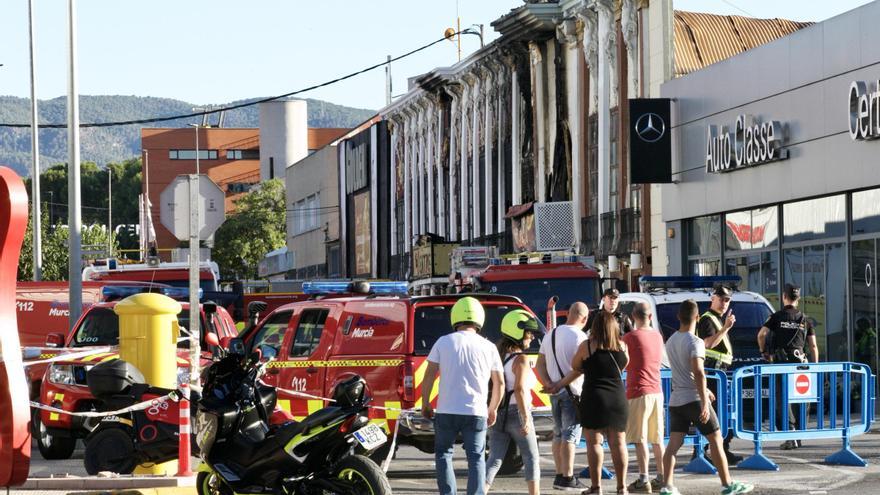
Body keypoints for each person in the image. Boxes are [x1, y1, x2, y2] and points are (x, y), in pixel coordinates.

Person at [660, 300, 753, 495]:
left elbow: (686, 370)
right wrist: (704, 401)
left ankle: (667, 486)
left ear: (679, 317)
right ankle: (727, 485)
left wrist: (704, 391)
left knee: (673, 446)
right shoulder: (695, 342)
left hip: (676, 400)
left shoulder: (670, 341)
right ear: (697, 317)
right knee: (716, 438)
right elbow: (699, 373)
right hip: (693, 399)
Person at [422, 296, 505, 495]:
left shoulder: (443, 342)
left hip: (446, 411)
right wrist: (492, 408)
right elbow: (499, 382)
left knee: (443, 454)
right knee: (476, 458)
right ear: (479, 319)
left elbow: (429, 375)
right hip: (476, 412)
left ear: (455, 317)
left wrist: (426, 403)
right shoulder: (490, 347)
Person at [553, 311, 629, 495]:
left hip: (593, 397)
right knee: (619, 444)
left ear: (594, 327)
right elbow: (624, 365)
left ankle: (596, 487)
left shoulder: (586, 347)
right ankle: (622, 487)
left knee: (594, 443)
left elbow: (575, 365)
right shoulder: (622, 346)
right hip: (617, 398)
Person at [486, 309, 542, 495]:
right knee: (531, 457)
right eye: (529, 332)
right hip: (517, 413)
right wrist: (525, 417)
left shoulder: (498, 356)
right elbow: (519, 389)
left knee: (494, 459)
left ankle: (479, 491)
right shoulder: (521, 359)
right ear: (518, 333)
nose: (532, 337)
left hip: (498, 412)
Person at [757, 283, 819, 450]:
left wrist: (764, 351)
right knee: (801, 400)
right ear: (798, 299)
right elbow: (813, 346)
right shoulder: (806, 320)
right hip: (801, 365)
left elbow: (761, 334)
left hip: (781, 365)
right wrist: (815, 367)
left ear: (784, 297)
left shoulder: (776, 317)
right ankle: (798, 436)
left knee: (783, 401)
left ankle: (789, 434)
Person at [535, 302, 589, 491]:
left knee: (558, 434)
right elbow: (580, 368)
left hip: (555, 393)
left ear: (569, 315)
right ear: (584, 318)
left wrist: (548, 383)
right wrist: (561, 383)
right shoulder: (581, 337)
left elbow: (539, 363)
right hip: (572, 392)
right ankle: (568, 477)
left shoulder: (551, 334)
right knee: (570, 435)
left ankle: (559, 475)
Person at [622, 302, 665, 493]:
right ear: (649, 317)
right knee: (657, 439)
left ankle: (643, 478)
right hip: (656, 390)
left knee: (640, 439)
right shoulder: (657, 336)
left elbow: (622, 363)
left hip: (638, 391)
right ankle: (662, 477)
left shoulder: (629, 337)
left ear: (633, 316)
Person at [695, 285, 741, 464]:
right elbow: (708, 344)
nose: (724, 302)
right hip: (712, 372)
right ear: (712, 299)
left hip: (721, 373)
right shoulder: (708, 319)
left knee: (723, 413)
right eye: (720, 299)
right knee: (711, 414)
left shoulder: (719, 319)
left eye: (727, 299)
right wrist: (726, 328)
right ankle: (700, 451)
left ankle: (723, 449)